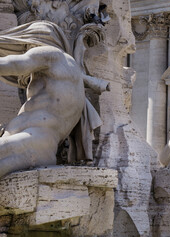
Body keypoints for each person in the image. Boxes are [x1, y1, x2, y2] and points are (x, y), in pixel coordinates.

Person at [0, 21, 109, 178]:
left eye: (27, 48)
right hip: (27, 142)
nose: (26, 53)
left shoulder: (52, 55)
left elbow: (14, 65)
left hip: (33, 143)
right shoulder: (60, 77)